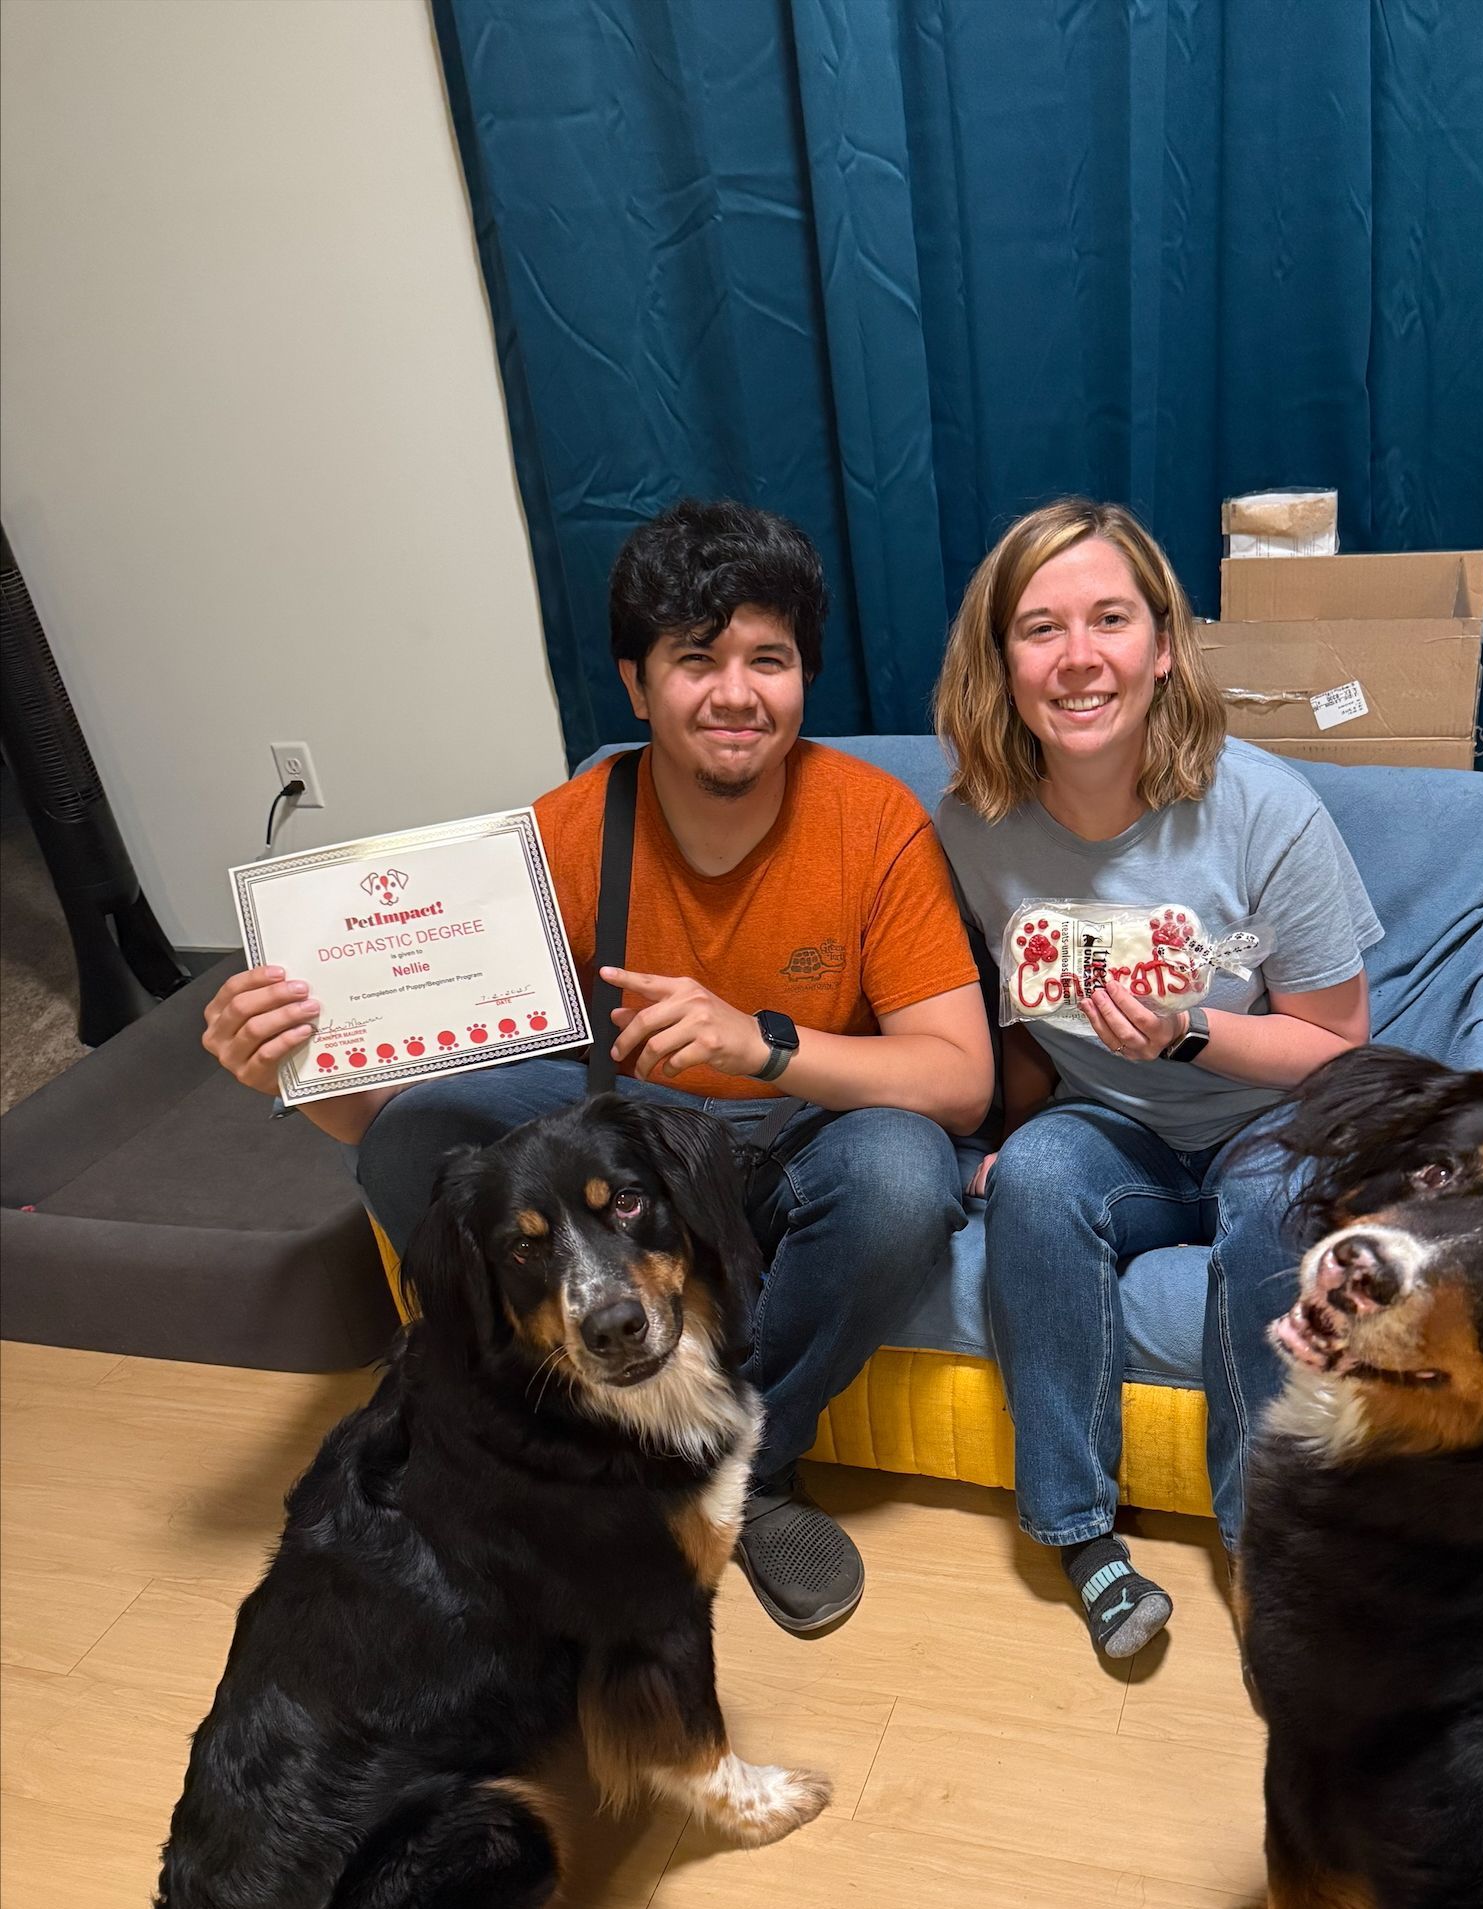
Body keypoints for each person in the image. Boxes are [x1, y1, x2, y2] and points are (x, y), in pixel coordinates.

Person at [203, 499, 993, 1637]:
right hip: (626, 1153)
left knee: (905, 1176)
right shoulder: (568, 830)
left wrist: (758, 1042)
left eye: (767, 659)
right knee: (416, 1133)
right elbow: (402, 1132)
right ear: (635, 684)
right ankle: (566, 1436)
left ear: (803, 678)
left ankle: (745, 1459)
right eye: (695, 659)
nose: (735, 692)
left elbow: (959, 1078)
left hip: (808, 1132)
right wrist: (295, 1066)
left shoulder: (873, 823)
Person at [934, 498, 1380, 1660]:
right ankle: (1081, 1536)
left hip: (1267, 1114)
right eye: (1039, 628)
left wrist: (1188, 1035)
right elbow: (1011, 1016)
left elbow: (1338, 1043)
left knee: (1280, 1206)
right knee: (1032, 1176)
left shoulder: (1265, 809)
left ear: (1163, 644)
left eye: (1109, 620)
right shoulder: (976, 828)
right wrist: (992, 1125)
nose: (1078, 657)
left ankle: (1261, 1540)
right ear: (1000, 658)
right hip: (1107, 1125)